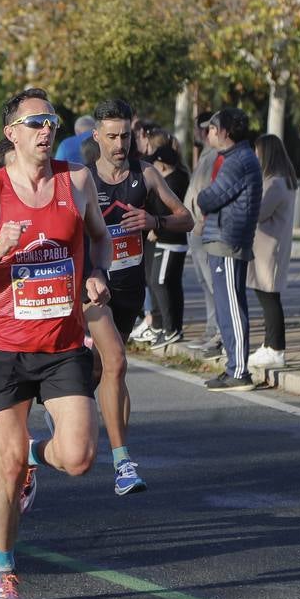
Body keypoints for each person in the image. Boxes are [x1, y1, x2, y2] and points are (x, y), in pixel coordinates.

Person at [0, 87, 111, 599]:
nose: (47, 130)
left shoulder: (77, 180)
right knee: (8, 464)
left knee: (80, 458)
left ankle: (37, 454)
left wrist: (97, 274)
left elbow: (100, 239)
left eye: (52, 121)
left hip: (63, 345)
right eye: (35, 122)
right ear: (12, 134)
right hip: (5, 348)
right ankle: (3, 572)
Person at [87, 99, 191, 491]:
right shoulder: (82, 179)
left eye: (126, 136)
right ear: (97, 136)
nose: (120, 144)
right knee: (115, 364)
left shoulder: (144, 174)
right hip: (94, 289)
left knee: (101, 370)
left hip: (130, 289)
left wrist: (154, 220)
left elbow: (187, 218)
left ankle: (62, 417)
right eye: (111, 136)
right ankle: (122, 462)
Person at [196, 108, 263, 391]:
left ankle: (239, 371)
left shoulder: (238, 161)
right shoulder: (236, 158)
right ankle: (233, 366)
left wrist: (201, 197)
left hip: (228, 238)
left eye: (212, 128)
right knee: (227, 305)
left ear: (225, 132)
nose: (209, 133)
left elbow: (210, 197)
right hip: (223, 238)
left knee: (231, 307)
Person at [249, 134, 296, 369]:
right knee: (265, 296)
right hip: (266, 248)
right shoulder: (279, 180)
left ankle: (276, 349)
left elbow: (259, 212)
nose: (256, 156)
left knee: (270, 298)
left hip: (269, 249)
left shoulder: (276, 183)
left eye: (258, 152)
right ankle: (269, 344)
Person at [142, 136, 190, 348]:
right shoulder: (168, 180)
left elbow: (167, 211)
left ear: (161, 163)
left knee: (161, 283)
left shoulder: (175, 181)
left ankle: (171, 328)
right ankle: (164, 326)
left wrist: (157, 227)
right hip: (163, 239)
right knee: (163, 283)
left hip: (170, 240)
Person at [184, 115, 221, 352]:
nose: (201, 134)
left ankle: (219, 332)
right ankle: (211, 328)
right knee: (204, 282)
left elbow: (207, 191)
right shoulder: (207, 154)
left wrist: (200, 218)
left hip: (203, 225)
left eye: (206, 129)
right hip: (195, 226)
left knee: (212, 282)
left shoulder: (215, 155)